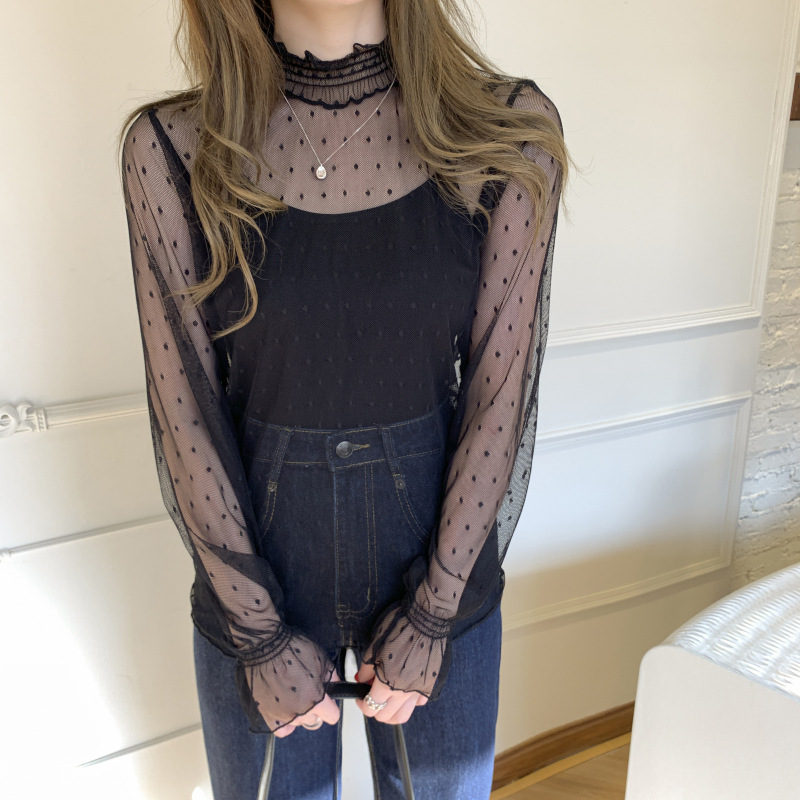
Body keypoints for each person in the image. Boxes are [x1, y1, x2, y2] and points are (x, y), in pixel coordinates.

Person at [118, 0, 569, 797]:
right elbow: (183, 411)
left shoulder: (507, 135)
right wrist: (258, 636)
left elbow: (500, 398)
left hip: (444, 560)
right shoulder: (174, 147)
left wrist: (434, 612)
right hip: (252, 576)